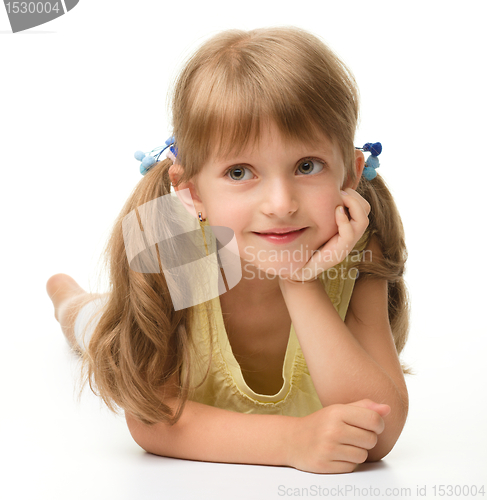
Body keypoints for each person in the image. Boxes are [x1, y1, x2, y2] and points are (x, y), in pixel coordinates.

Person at [46, 26, 412, 474]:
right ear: (191, 191)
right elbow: (151, 417)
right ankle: (68, 300)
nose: (280, 204)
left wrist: (300, 280)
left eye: (307, 166)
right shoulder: (177, 244)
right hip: (125, 319)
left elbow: (381, 429)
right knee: (91, 324)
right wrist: (292, 442)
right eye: (240, 172)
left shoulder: (360, 248)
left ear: (350, 174)